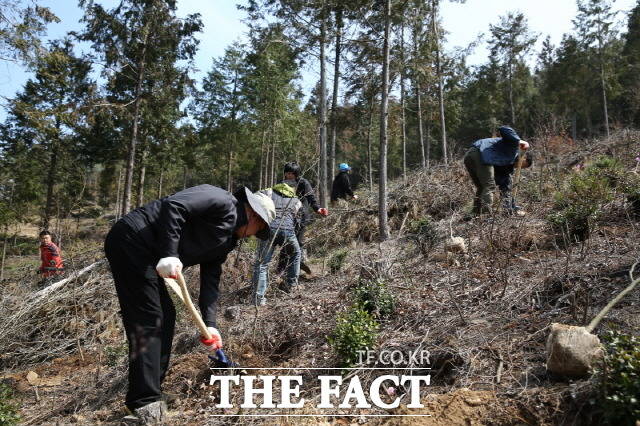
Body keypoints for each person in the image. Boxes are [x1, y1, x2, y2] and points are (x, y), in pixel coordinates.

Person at [104, 185, 275, 424]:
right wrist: (169, 253)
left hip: (149, 255)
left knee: (166, 316)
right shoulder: (220, 199)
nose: (253, 236)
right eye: (259, 230)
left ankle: (151, 391)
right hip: (132, 240)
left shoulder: (226, 241)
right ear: (255, 216)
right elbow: (174, 206)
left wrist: (210, 324)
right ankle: (143, 402)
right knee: (150, 319)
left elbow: (211, 280)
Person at [253, 180, 302, 306]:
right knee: (296, 254)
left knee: (262, 263)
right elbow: (297, 218)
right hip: (288, 232)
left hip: (269, 231)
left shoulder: (269, 192)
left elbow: (254, 198)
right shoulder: (296, 200)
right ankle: (291, 286)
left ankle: (259, 299)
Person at [463, 126, 530, 215]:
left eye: (522, 168)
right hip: (480, 153)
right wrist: (520, 141)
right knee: (489, 185)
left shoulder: (506, 167)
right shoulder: (513, 146)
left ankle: (475, 214)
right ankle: (486, 215)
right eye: (522, 165)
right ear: (523, 157)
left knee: (482, 187)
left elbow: (505, 189)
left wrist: (509, 208)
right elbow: (504, 129)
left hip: (471, 155)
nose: (518, 167)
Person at [279, 162, 328, 276]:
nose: (289, 176)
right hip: (285, 218)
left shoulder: (303, 183)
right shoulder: (282, 184)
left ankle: (294, 272)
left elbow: (311, 198)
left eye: (292, 173)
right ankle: (282, 270)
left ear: (296, 174)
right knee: (286, 244)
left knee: (298, 243)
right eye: (287, 173)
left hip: (301, 218)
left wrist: (318, 209)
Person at [494, 151, 533, 216]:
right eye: (523, 166)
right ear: (524, 158)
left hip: (498, 171)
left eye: (523, 167)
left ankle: (509, 207)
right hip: (490, 168)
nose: (520, 168)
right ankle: (506, 210)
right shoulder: (510, 155)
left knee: (507, 185)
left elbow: (507, 190)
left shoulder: (510, 164)